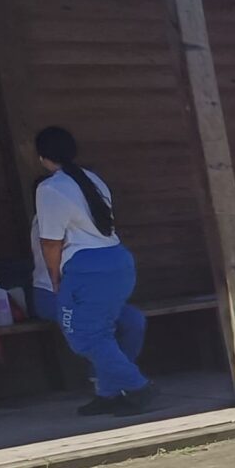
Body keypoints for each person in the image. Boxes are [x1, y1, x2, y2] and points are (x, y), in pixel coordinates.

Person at [33, 126, 154, 416]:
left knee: (84, 336)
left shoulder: (49, 188)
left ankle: (138, 386)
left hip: (87, 268)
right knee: (103, 331)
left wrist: (55, 277)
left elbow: (50, 242)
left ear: (42, 157)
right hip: (117, 260)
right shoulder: (92, 179)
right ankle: (108, 393)